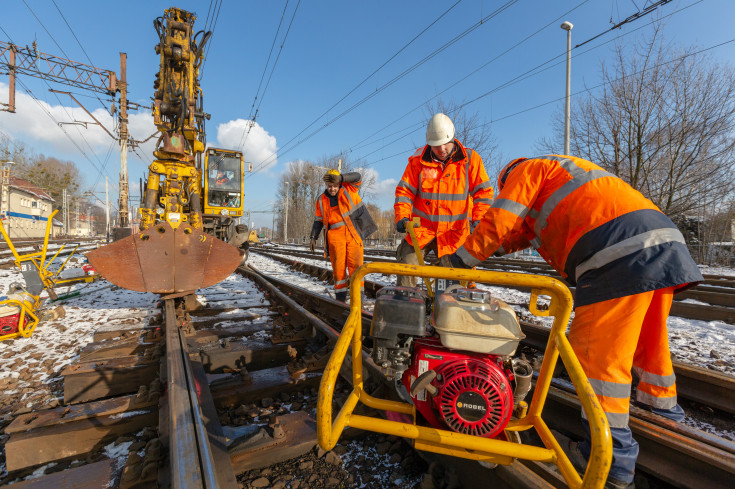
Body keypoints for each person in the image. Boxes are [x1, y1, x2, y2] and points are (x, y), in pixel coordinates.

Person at [441, 155, 703, 489]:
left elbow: (501, 219)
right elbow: (514, 234)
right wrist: (492, 247)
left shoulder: (526, 170)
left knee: (597, 360)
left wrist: (458, 261)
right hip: (660, 240)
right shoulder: (560, 176)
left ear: (507, 179)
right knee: (646, 345)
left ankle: (610, 462)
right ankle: (664, 420)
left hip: (617, 253)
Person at [393, 113, 493, 287]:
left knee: (458, 282)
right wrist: (402, 217)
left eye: (445, 143)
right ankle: (406, 302)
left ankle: (453, 308)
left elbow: (483, 193)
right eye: (436, 145)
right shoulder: (417, 162)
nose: (441, 149)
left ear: (453, 138)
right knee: (406, 267)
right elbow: (405, 192)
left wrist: (479, 220)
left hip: (454, 234)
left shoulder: (470, 160)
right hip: (421, 229)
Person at [309, 169, 377, 302]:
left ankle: (358, 299)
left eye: (335, 185)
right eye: (329, 186)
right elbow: (318, 220)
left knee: (356, 267)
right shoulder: (321, 200)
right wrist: (313, 237)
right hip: (334, 237)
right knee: (338, 270)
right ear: (325, 185)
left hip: (352, 234)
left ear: (339, 183)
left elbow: (357, 177)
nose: (332, 189)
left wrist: (341, 177)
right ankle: (340, 300)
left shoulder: (349, 189)